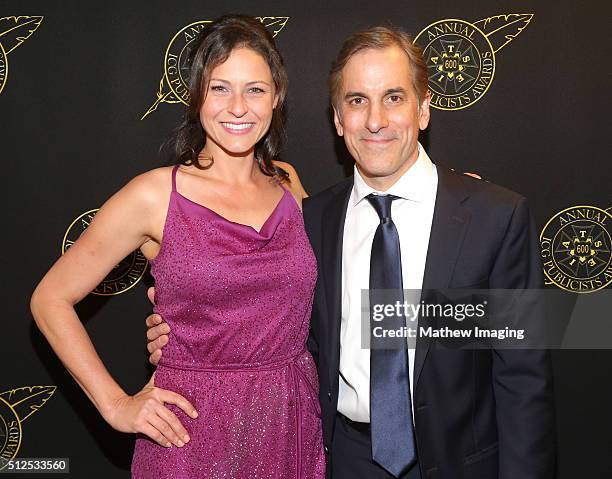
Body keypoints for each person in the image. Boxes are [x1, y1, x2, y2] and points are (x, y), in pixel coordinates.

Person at [147, 25, 556, 478]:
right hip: (343, 460)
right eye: (357, 101)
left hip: (462, 464)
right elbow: (274, 311)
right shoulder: (314, 217)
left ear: (423, 110)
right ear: (338, 119)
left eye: (394, 98)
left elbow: (523, 378)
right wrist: (184, 326)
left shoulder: (492, 218)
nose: (375, 120)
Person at [30, 15, 324, 479]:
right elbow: (50, 299)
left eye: (255, 89)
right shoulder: (154, 195)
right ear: (197, 96)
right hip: (190, 430)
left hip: (290, 416)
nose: (238, 107)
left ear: (276, 98)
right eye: (220, 88)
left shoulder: (288, 182)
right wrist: (116, 404)